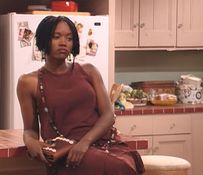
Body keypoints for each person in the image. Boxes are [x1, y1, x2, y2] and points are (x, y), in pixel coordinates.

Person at [17, 16, 144, 175]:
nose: (64, 42)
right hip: (66, 152)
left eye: (69, 38)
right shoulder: (28, 82)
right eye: (56, 37)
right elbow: (30, 129)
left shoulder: (89, 71)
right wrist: (30, 141)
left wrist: (84, 143)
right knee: (118, 166)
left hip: (103, 142)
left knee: (125, 161)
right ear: (43, 40)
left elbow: (108, 116)